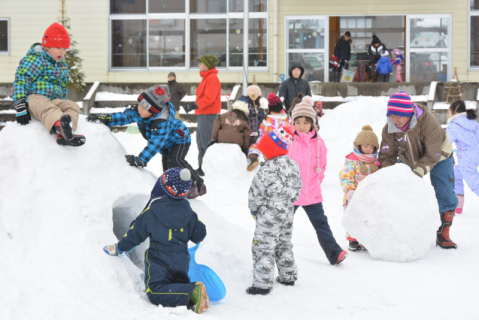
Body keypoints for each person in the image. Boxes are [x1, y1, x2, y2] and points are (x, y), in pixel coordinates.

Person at [103, 168, 209, 314]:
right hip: (181, 261)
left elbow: (135, 235)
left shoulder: (152, 212)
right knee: (175, 285)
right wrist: (193, 220)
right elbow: (199, 235)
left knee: (155, 291)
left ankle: (192, 291)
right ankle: (189, 294)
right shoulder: (189, 213)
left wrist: (119, 248)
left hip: (159, 261)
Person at [87, 85, 206, 199]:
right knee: (168, 169)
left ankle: (197, 184)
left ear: (153, 111)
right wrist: (106, 118)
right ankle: (175, 187)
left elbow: (155, 144)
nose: (140, 109)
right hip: (165, 144)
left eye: (144, 108)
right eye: (139, 104)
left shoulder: (161, 123)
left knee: (175, 161)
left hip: (179, 139)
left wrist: (141, 159)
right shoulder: (140, 112)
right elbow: (124, 117)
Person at [378, 91, 458, 249]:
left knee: (445, 192)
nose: (394, 120)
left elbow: (433, 154)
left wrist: (417, 173)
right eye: (391, 116)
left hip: (439, 156)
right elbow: (387, 155)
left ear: (408, 113)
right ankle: (403, 229)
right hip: (409, 158)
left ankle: (444, 232)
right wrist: (390, 174)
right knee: (401, 190)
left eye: (398, 116)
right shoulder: (390, 128)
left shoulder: (428, 122)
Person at [287, 96, 348, 265]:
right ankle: (276, 251)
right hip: (290, 193)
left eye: (305, 122)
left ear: (312, 123)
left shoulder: (319, 143)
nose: (301, 126)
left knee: (321, 223)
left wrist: (316, 181)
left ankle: (334, 253)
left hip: (311, 192)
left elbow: (322, 165)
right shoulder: (289, 141)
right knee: (283, 225)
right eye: (298, 122)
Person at [247, 126, 302, 295]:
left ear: (270, 151)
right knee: (283, 243)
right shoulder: (293, 165)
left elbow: (255, 193)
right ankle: (288, 275)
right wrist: (287, 202)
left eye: (264, 152)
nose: (263, 155)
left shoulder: (266, 169)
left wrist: (254, 210)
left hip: (269, 214)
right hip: (287, 212)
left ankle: (262, 284)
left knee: (263, 246)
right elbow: (298, 188)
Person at [12, 22, 85, 147]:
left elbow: (61, 87)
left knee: (72, 106)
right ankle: (59, 125)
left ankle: (67, 131)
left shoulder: (62, 65)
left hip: (53, 101)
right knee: (42, 103)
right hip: (34, 101)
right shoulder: (36, 59)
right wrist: (20, 105)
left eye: (64, 48)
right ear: (47, 47)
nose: (61, 52)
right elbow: (21, 79)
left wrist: (61, 101)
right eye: (58, 48)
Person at [339, 125, 380, 251]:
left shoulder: (375, 162)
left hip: (370, 196)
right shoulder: (353, 161)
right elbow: (345, 176)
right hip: (354, 195)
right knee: (354, 217)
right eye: (366, 146)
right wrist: (350, 189)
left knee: (368, 217)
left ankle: (365, 240)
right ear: (359, 146)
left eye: (372, 147)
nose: (368, 149)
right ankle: (353, 240)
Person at [182, 55, 221, 177]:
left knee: (206, 142)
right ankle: (202, 166)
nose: (198, 65)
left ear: (206, 65)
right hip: (203, 114)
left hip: (208, 115)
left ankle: (207, 167)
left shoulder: (212, 78)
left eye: (201, 63)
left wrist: (194, 106)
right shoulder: (207, 78)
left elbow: (209, 98)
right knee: (200, 142)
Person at [446, 100, 479, 214]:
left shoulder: (454, 125)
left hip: (466, 158)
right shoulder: (472, 122)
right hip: (474, 155)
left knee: (475, 183)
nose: (448, 113)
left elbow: (446, 141)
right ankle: (458, 207)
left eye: (449, 111)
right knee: (456, 176)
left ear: (454, 111)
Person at [248, 93, 289, 171]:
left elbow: (262, 133)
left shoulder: (266, 122)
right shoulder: (287, 120)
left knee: (255, 145)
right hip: (283, 144)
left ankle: (254, 156)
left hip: (269, 143)